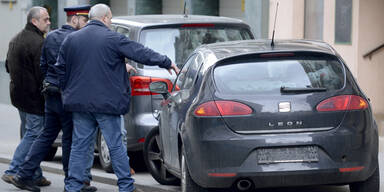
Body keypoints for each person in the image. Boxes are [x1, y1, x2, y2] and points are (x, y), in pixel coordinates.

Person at [55, 4, 179, 192]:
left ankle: (72, 186)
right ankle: (126, 186)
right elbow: (140, 52)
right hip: (107, 104)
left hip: (80, 104)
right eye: (110, 19)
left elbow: (61, 70)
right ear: (104, 18)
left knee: (79, 146)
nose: (111, 22)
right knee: (116, 146)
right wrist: (166, 61)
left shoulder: (71, 39)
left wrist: (68, 92)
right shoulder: (113, 38)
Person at [8, 5, 99, 192]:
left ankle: (23, 174)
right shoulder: (75, 39)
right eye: (84, 21)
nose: (86, 25)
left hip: (50, 96)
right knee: (67, 140)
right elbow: (78, 70)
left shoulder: (49, 37)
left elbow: (43, 65)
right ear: (75, 20)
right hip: (66, 97)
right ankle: (72, 182)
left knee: (45, 136)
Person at [2, 6, 51, 188]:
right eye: (45, 19)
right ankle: (13, 170)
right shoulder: (38, 43)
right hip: (33, 99)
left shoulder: (16, 39)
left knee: (29, 135)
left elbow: (7, 66)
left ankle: (36, 174)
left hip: (18, 97)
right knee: (33, 135)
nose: (49, 22)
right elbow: (42, 74)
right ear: (34, 21)